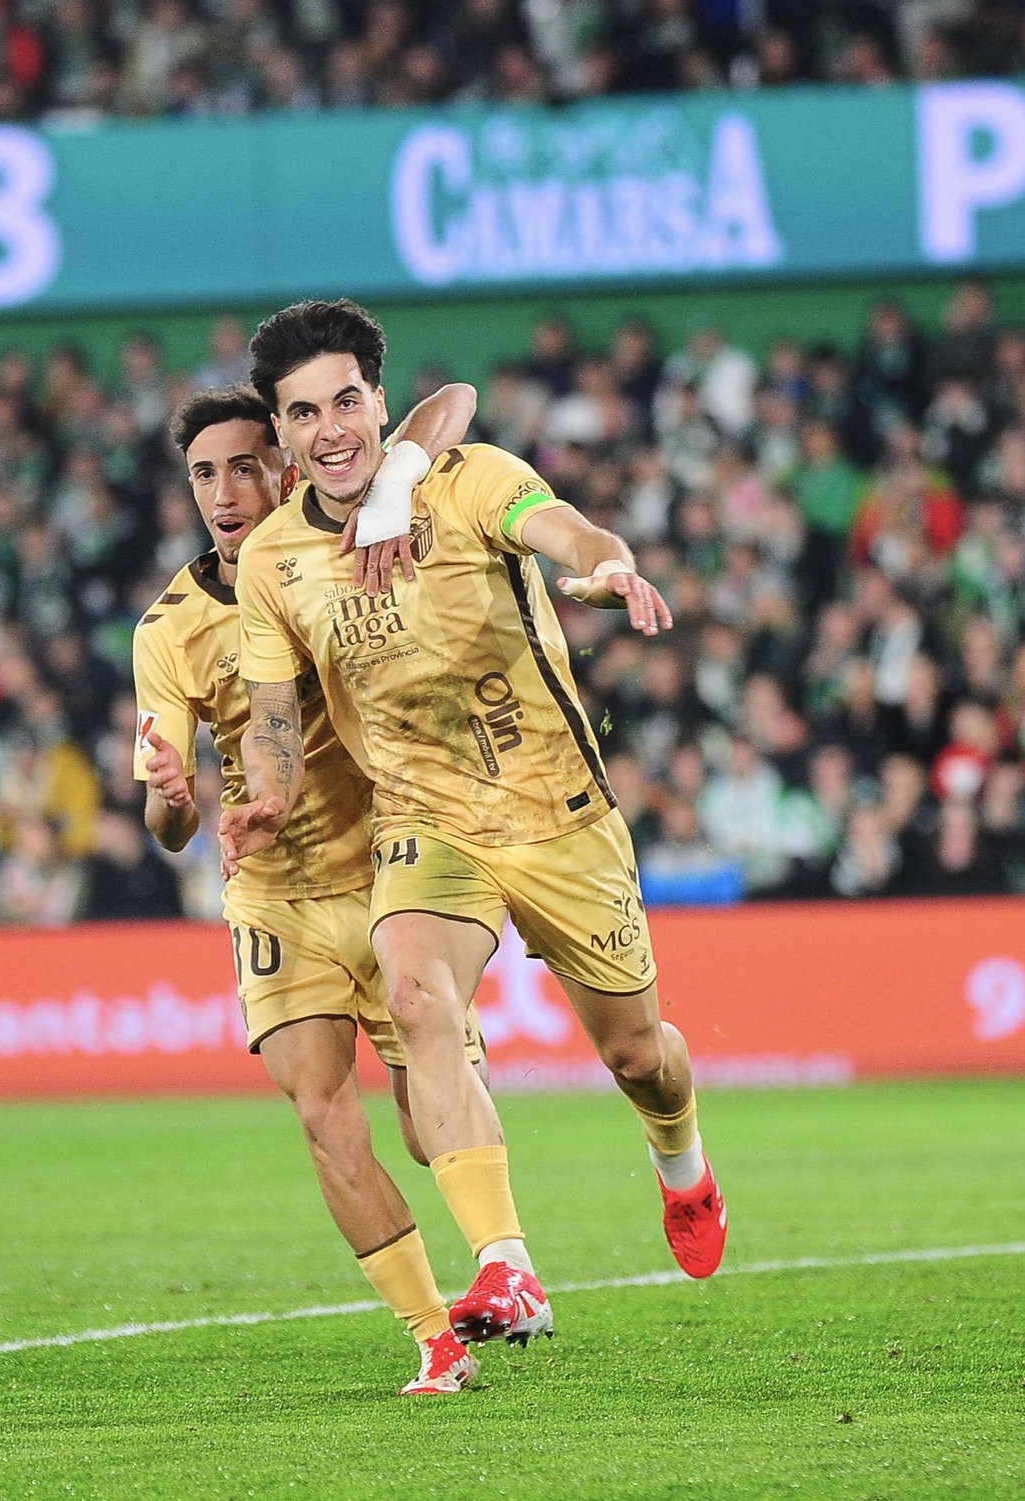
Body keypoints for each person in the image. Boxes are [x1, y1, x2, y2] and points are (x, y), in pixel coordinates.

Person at [223, 300, 727, 1358]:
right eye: (304, 414)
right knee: (416, 996)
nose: (330, 430)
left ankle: (680, 1160)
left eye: (346, 402)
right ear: (282, 433)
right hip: (423, 816)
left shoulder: (466, 479)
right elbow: (271, 717)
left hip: (557, 812)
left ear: (379, 401)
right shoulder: (271, 560)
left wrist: (604, 566)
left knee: (639, 1053)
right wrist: (265, 792)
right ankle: (507, 1265)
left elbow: (567, 530)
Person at [133, 380, 485, 1396]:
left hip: (391, 872)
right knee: (325, 1116)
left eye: (244, 465)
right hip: (275, 893)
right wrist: (171, 795)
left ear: (287, 465)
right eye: (204, 474)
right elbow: (167, 828)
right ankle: (435, 1337)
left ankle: (501, 1260)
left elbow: (452, 405)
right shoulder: (166, 630)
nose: (223, 492)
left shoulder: (350, 546)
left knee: (425, 1123)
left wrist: (399, 479)